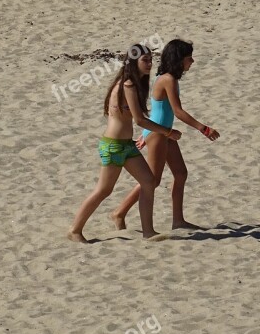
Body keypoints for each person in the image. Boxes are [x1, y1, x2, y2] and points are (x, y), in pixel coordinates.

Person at [68, 43, 182, 243]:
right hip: (113, 146)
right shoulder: (128, 84)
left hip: (127, 145)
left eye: (150, 60)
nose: (149, 64)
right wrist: (168, 132)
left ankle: (148, 231)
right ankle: (75, 230)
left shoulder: (135, 83)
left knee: (148, 182)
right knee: (104, 190)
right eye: (145, 61)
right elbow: (139, 120)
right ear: (133, 62)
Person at [111, 39, 219, 231]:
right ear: (179, 59)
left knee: (181, 173)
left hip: (163, 132)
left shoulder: (170, 78)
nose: (192, 62)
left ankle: (178, 220)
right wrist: (203, 128)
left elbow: (159, 111)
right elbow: (177, 111)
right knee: (152, 180)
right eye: (188, 58)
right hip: (159, 133)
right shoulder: (167, 79)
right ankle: (119, 212)